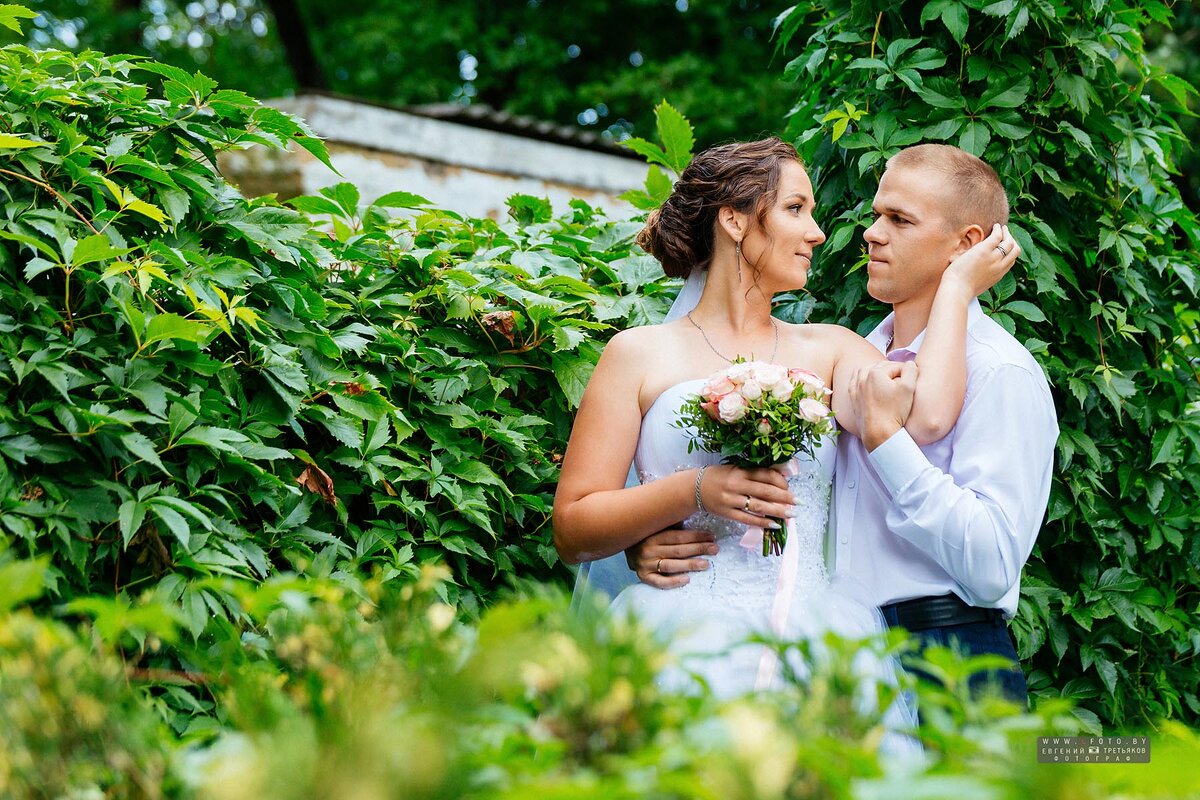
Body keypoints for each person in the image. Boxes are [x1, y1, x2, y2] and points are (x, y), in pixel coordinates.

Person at [553, 137, 1018, 699]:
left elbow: (929, 417)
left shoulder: (832, 349)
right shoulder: (635, 355)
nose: (818, 233)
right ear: (734, 220)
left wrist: (957, 290)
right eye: (796, 209)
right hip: (675, 633)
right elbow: (574, 528)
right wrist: (695, 491)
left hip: (811, 639)